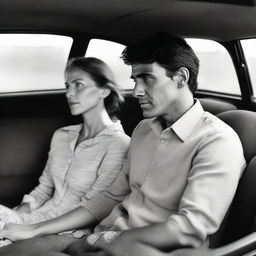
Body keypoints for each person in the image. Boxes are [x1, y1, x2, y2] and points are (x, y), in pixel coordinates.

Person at [0, 32, 246, 256]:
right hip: (98, 237)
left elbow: (189, 228)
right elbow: (110, 196)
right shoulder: (143, 130)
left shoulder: (216, 141)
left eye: (147, 78)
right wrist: (35, 229)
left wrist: (104, 240)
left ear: (181, 77)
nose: (136, 91)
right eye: (135, 79)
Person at [0, 57, 130, 247]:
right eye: (67, 86)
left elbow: (93, 207)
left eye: (78, 85)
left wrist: (31, 229)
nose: (69, 93)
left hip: (62, 232)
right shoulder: (62, 135)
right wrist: (18, 215)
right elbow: (44, 188)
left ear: (104, 90)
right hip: (30, 220)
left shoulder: (119, 144)